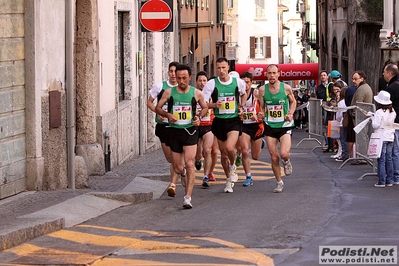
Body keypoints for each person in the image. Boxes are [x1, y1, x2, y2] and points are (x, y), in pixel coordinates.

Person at [155, 64, 208, 209]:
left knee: (190, 163)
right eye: (179, 78)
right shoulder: (168, 92)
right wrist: (167, 114)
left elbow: (205, 107)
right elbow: (158, 107)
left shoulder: (196, 93)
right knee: (178, 167)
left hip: (190, 131)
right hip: (174, 131)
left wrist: (198, 117)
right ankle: (182, 173)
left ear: (190, 77)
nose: (181, 80)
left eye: (184, 78)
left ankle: (187, 197)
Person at [202, 57, 247, 193]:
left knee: (229, 147)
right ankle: (228, 180)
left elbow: (243, 95)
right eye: (219, 68)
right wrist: (213, 105)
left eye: (223, 67)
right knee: (223, 154)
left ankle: (233, 167)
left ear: (228, 67)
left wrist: (241, 106)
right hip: (219, 121)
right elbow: (203, 103)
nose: (221, 71)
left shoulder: (237, 82)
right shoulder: (211, 84)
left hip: (233, 120)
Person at [258, 64, 297, 193]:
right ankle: (279, 182)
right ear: (266, 75)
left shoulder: (286, 88)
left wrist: (290, 113)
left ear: (279, 74)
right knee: (274, 157)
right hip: (270, 125)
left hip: (284, 125)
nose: (272, 76)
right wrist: (261, 113)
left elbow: (293, 101)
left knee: (284, 153)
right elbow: (262, 107)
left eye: (274, 73)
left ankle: (286, 162)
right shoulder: (262, 90)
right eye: (269, 73)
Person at [147, 61, 180, 197]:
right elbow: (149, 102)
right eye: (171, 71)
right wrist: (158, 113)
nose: (173, 74)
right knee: (169, 158)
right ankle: (179, 169)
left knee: (174, 155)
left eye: (175, 72)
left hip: (177, 127)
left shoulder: (182, 88)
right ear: (168, 72)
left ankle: (172, 184)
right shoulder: (160, 87)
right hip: (163, 126)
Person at [238, 71, 265, 187]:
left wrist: (259, 114)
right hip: (244, 126)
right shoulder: (238, 95)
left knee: (255, 156)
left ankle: (261, 142)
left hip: (256, 126)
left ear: (251, 82)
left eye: (247, 82)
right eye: (243, 82)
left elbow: (265, 107)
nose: (245, 85)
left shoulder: (256, 93)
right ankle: (248, 176)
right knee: (244, 151)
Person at [193, 71, 217, 187]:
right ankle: (197, 161)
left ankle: (206, 176)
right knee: (197, 154)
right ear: (196, 82)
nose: (202, 83)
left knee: (207, 150)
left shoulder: (212, 94)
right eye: (200, 81)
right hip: (196, 126)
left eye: (204, 81)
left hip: (209, 126)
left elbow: (218, 105)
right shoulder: (193, 94)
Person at [347, 70, 373, 164]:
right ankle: (363, 156)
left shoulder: (362, 89)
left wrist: (354, 114)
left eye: (355, 79)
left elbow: (358, 104)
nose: (353, 81)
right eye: (353, 79)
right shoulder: (364, 87)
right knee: (363, 137)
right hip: (362, 116)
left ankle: (363, 157)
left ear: (362, 79)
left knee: (361, 137)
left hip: (360, 117)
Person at [371, 91, 396, 187]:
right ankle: (389, 180)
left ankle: (381, 181)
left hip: (381, 136)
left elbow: (375, 125)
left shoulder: (379, 112)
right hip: (390, 136)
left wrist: (372, 118)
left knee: (381, 159)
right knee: (389, 158)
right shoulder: (392, 111)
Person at [381, 63, 399, 184]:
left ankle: (395, 176)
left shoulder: (392, 88)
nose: (383, 74)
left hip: (394, 123)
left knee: (394, 151)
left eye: (384, 72)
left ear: (390, 73)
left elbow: (387, 105)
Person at [335, 86, 348, 162]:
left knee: (343, 140)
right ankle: (346, 154)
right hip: (348, 121)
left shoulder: (341, 102)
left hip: (342, 122)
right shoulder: (349, 101)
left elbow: (339, 115)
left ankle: (344, 155)